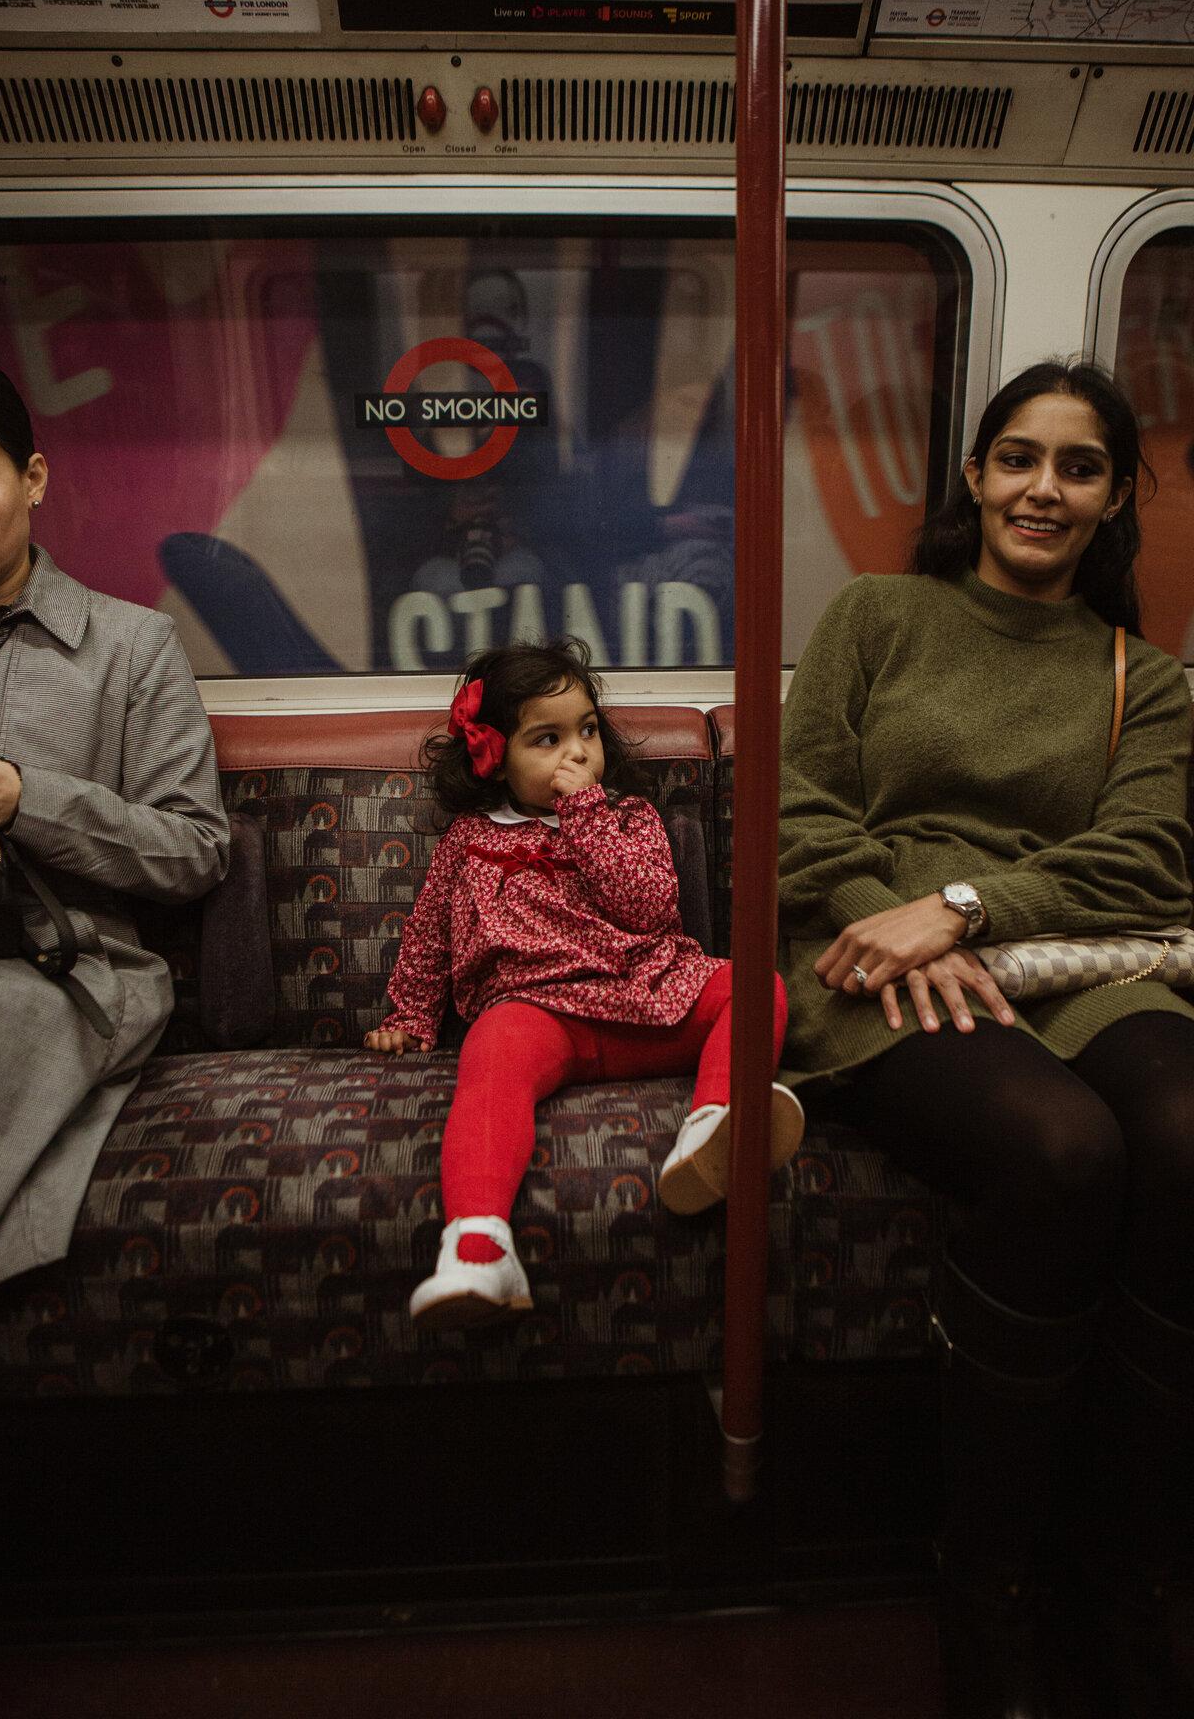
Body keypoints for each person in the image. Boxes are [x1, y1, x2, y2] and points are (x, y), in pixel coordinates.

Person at [778, 360, 1194, 1719]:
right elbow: (798, 810)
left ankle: (1123, 1568)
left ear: (1115, 499)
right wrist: (886, 921)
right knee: (1061, 1148)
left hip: (1063, 953)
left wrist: (962, 909)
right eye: (1020, 458)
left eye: (1080, 468)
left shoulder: (1149, 677)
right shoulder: (879, 617)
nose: (1045, 489)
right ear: (975, 476)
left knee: (1188, 1140)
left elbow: (1140, 858)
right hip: (866, 951)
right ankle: (992, 1578)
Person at [364, 636, 803, 1329]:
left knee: (757, 988)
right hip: (537, 1016)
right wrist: (411, 1016)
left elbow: (650, 907)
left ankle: (712, 1128)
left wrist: (587, 815)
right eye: (547, 738)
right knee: (489, 1057)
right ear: (495, 757)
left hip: (652, 995)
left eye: (587, 731)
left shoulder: (626, 818)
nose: (577, 752)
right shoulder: (468, 840)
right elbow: (428, 937)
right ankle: (478, 1249)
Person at [0, 366, 230, 1286]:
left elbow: (197, 849)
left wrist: (27, 799)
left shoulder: (133, 647)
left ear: (36, 479)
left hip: (75, 970)